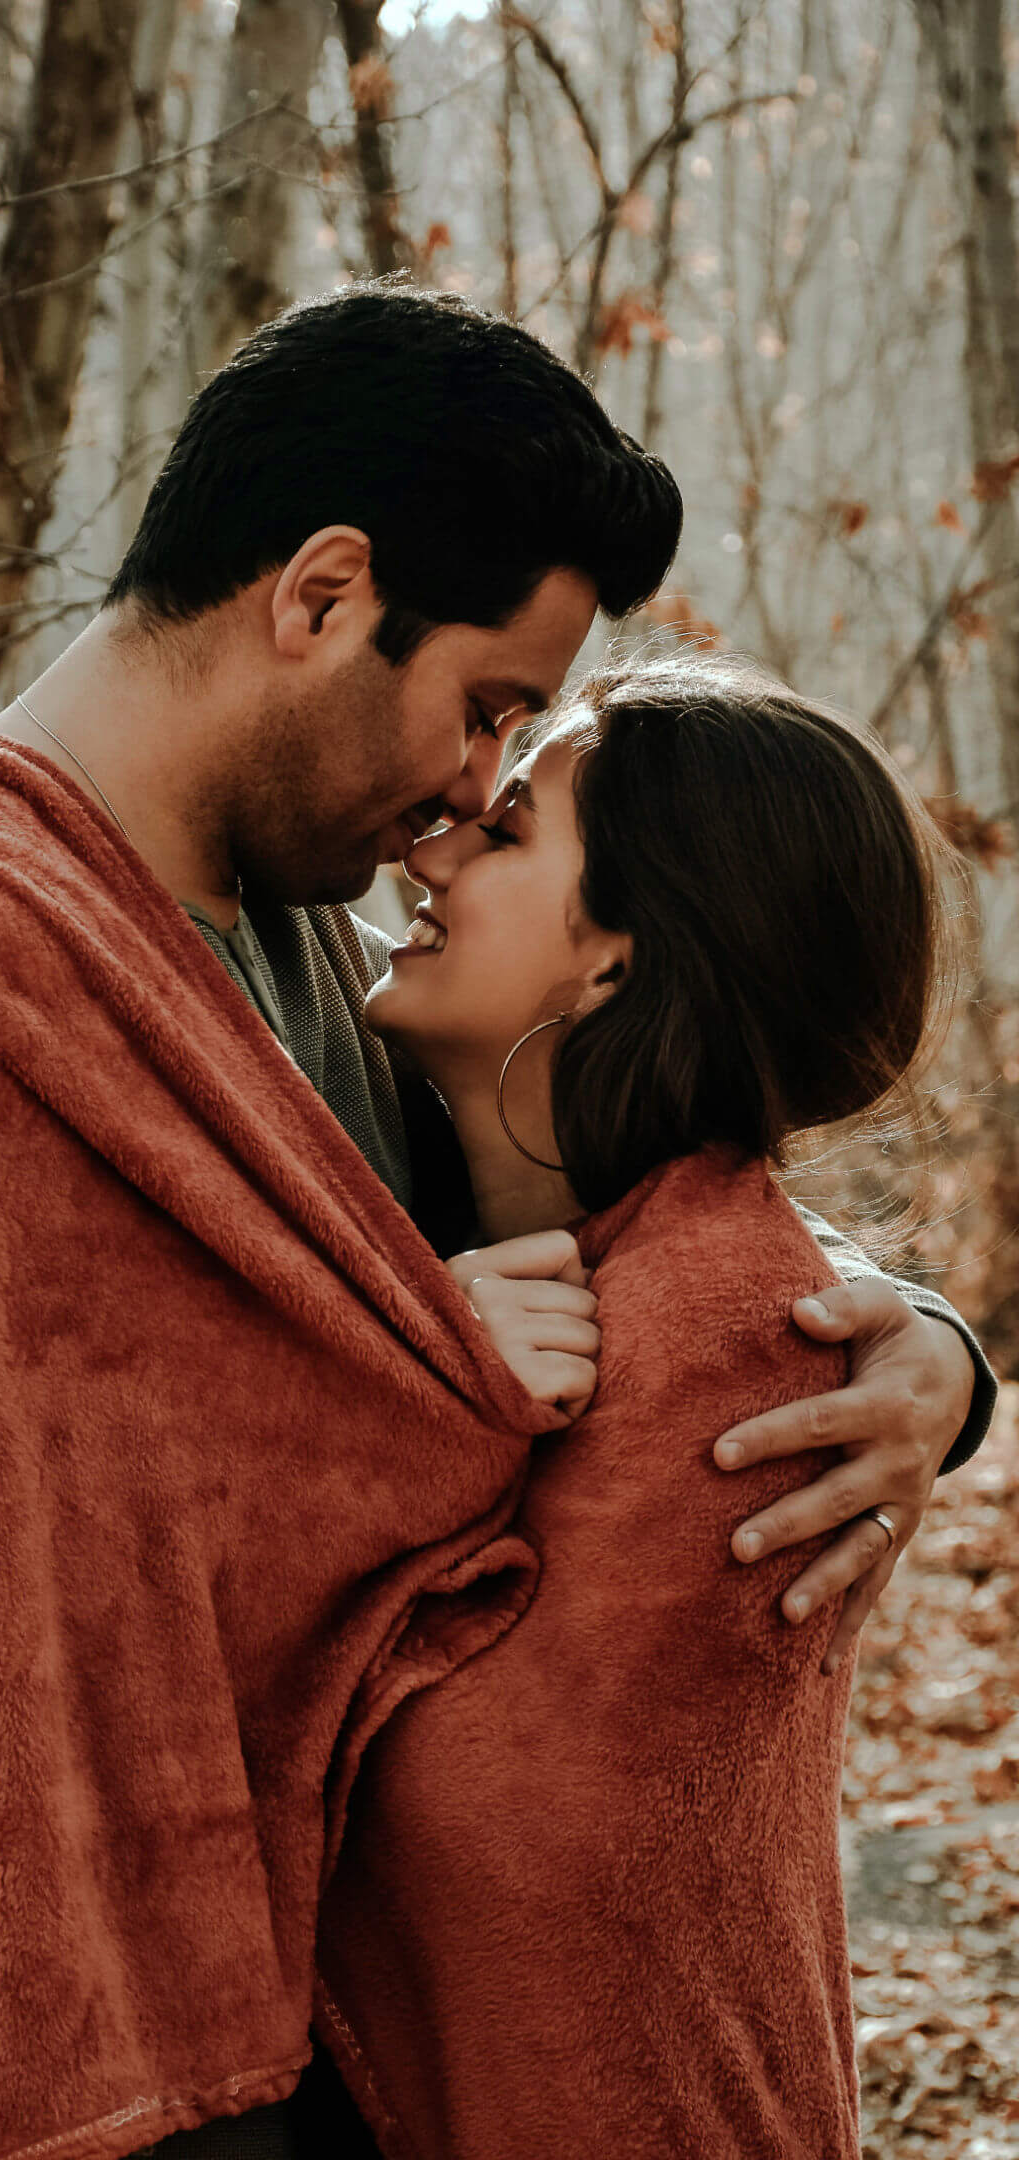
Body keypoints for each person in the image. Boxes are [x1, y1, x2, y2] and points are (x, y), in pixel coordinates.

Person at [0, 289, 992, 2160]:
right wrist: (390, 1404)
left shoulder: (304, 928)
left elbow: (617, 1196)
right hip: (72, 2086)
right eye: (486, 706)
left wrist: (919, 1349)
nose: (479, 789)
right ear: (325, 597)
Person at [312, 657, 961, 2158]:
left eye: (514, 825)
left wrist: (376, 1404)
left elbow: (474, 1816)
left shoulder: (724, 1327)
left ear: (612, 963)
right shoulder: (501, 1202)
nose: (434, 841)